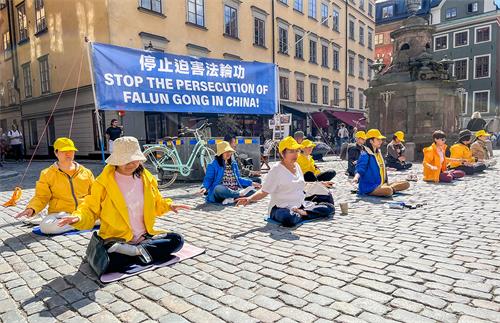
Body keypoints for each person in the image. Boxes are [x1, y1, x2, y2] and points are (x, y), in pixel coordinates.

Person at [57, 136, 190, 275]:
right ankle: (139, 253)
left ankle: (135, 252)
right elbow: (90, 207)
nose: (132, 164)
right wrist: (78, 218)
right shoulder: (103, 182)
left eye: (135, 160)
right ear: (116, 161)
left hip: (144, 238)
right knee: (109, 262)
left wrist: (169, 206)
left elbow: (157, 202)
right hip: (118, 240)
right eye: (126, 160)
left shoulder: (147, 178)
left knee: (177, 240)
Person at [236, 136, 334, 227]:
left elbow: (302, 185)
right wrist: (249, 199)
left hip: (300, 205)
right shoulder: (276, 170)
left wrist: (320, 184)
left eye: (297, 151)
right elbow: (263, 191)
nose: (295, 154)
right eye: (291, 151)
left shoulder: (297, 166)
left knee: (329, 207)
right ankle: (305, 213)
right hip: (281, 208)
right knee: (288, 218)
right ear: (282, 153)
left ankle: (303, 213)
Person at [15, 138, 95, 234]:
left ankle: (78, 222)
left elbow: (95, 194)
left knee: (111, 216)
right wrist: (31, 208)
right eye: (64, 151)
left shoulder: (86, 172)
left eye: (71, 151)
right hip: (60, 213)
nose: (68, 154)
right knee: (46, 226)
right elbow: (41, 197)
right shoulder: (47, 174)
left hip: (83, 212)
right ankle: (81, 224)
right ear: (56, 153)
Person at [353, 129, 410, 197]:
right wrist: (356, 178)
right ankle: (389, 189)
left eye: (381, 139)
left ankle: (389, 189)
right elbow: (360, 168)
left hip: (382, 184)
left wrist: (387, 168)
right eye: (378, 139)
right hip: (370, 187)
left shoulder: (378, 153)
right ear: (371, 141)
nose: (381, 141)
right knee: (388, 191)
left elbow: (379, 166)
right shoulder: (365, 154)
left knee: (406, 184)